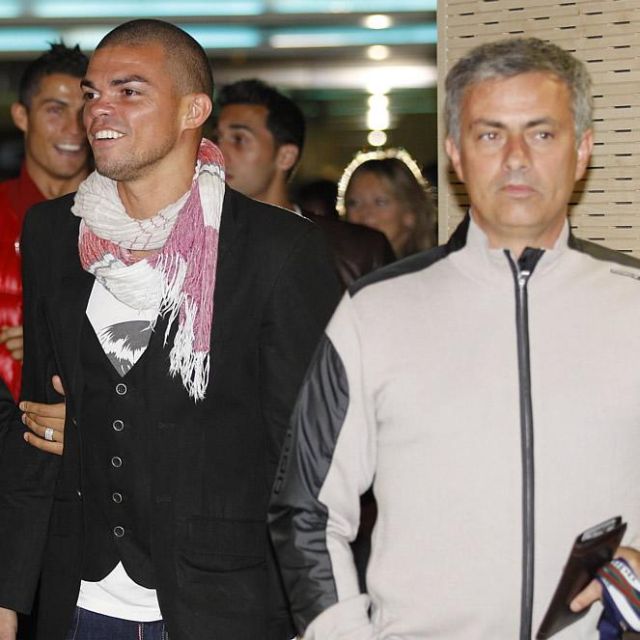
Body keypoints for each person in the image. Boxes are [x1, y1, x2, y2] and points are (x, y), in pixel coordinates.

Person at [268, 37, 640, 639]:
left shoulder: (633, 304)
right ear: (455, 154)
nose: (516, 158)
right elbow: (306, 508)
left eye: (542, 134)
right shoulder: (376, 311)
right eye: (490, 134)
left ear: (581, 151)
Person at [0, 19, 340, 640]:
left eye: (129, 91)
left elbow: (311, 455)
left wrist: (316, 613)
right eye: (92, 93)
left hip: (223, 602)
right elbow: (38, 427)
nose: (99, 110)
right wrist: (8, 592)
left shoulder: (277, 249)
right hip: (76, 594)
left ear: (193, 110)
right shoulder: (52, 234)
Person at [215, 78, 395, 289]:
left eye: (239, 139)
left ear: (286, 157)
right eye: (217, 138)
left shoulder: (357, 252)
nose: (218, 152)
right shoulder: (201, 243)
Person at [0, 43, 90, 400]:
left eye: (85, 111)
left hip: (90, 426)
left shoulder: (131, 221)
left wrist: (58, 344)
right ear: (22, 116)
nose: (74, 129)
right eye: (55, 110)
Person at [338, 149, 437, 258]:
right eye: (354, 203)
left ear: (410, 212)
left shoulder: (431, 266)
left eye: (380, 202)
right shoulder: (336, 265)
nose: (364, 213)